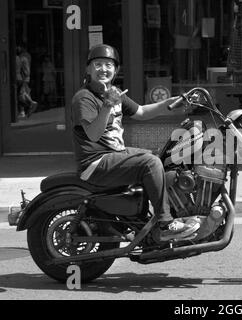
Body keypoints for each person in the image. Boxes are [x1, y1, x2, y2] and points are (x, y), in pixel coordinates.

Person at [71, 44, 200, 241]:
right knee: (150, 163)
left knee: (159, 156)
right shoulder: (84, 97)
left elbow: (140, 112)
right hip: (95, 162)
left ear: (116, 70)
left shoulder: (114, 92)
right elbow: (94, 134)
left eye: (108, 65)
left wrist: (169, 104)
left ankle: (142, 221)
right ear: (88, 69)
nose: (103, 69)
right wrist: (107, 106)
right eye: (98, 64)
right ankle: (165, 224)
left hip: (114, 153)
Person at [16, 43, 38, 118]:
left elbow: (26, 69)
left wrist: (25, 77)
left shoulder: (22, 57)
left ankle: (28, 105)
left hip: (23, 78)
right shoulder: (26, 56)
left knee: (22, 93)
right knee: (24, 92)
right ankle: (26, 108)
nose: (17, 48)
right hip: (24, 78)